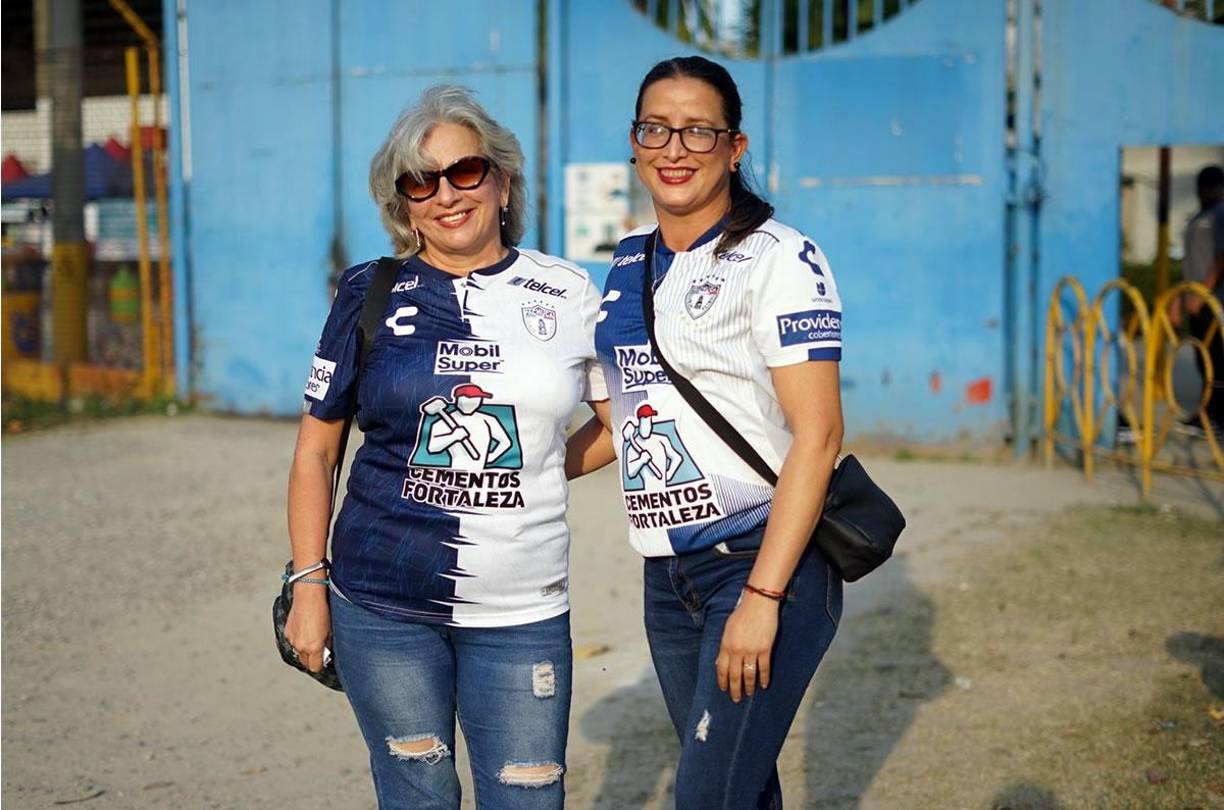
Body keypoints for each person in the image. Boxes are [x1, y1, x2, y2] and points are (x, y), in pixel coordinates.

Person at [285, 84, 608, 810]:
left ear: (501, 179)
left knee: (528, 798)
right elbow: (315, 453)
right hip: (381, 605)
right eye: (419, 181)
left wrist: (539, 466)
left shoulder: (568, 292)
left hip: (523, 609)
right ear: (401, 200)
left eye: (464, 171)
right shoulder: (369, 290)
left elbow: (623, 425)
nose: (445, 195)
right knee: (417, 797)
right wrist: (308, 584)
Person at [570, 55, 846, 808]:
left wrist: (764, 595)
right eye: (656, 128)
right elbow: (616, 425)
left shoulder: (778, 258)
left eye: (699, 130)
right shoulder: (627, 260)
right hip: (669, 579)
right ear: (635, 142)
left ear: (735, 147)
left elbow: (818, 436)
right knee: (740, 789)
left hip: (760, 565)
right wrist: (519, 470)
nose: (675, 148)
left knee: (706, 795)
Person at [1181, 166, 1224, 427]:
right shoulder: (1199, 216)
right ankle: (1207, 412)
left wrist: (1203, 293)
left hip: (1214, 300)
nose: (1203, 192)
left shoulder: (1220, 214)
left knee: (1217, 360)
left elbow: (1221, 260)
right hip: (1196, 299)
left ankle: (1218, 415)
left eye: (1208, 187)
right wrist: (1180, 300)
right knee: (1202, 356)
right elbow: (1190, 262)